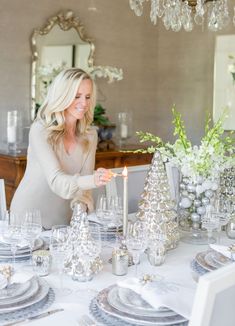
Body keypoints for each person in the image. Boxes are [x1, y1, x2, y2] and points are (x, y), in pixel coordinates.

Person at [10, 68, 112, 229]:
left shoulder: (90, 135)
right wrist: (94, 179)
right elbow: (57, 181)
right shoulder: (40, 130)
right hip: (28, 219)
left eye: (87, 96)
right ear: (62, 96)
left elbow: (83, 188)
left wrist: (79, 215)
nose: (84, 103)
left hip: (64, 221)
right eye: (77, 96)